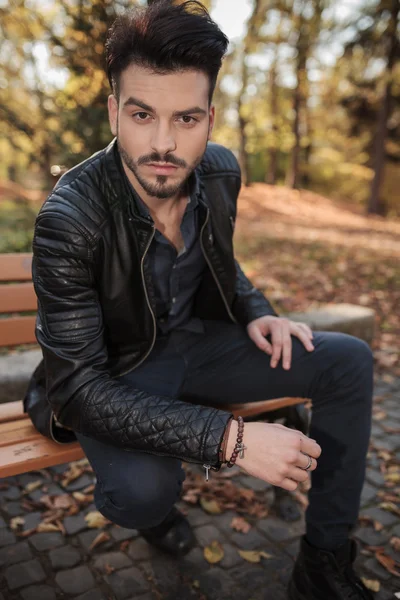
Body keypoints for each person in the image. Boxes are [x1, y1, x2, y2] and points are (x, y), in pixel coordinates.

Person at [28, 2, 374, 598]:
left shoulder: (219, 173)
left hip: (198, 348)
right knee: (141, 493)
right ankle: (157, 517)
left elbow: (222, 263)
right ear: (115, 111)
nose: (163, 144)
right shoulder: (70, 217)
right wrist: (231, 439)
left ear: (211, 118)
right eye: (142, 114)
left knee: (347, 359)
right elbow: (78, 389)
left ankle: (323, 563)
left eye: (186, 118)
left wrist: (258, 311)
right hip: (117, 375)